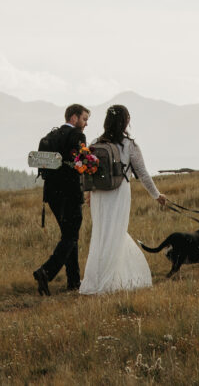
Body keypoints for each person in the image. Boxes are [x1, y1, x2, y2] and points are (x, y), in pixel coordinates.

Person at [80, 104, 167, 295]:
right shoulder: (129, 145)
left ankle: (96, 279)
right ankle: (111, 280)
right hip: (119, 192)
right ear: (125, 121)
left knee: (101, 234)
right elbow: (142, 173)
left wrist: (88, 193)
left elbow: (87, 171)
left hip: (98, 195)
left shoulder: (95, 142)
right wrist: (156, 195)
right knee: (116, 233)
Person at [33, 103, 89, 296]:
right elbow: (83, 163)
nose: (86, 124)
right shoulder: (77, 136)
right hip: (71, 193)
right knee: (71, 235)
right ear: (73, 118)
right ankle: (46, 272)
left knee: (68, 235)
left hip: (52, 194)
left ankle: (73, 281)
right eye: (84, 119)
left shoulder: (52, 136)